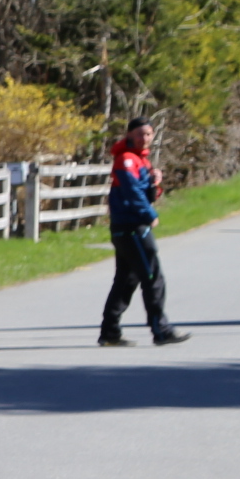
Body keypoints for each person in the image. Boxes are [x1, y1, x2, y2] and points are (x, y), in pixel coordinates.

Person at [101, 117, 187, 346]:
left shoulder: (142, 161)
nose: (144, 138)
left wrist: (154, 183)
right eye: (140, 134)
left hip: (126, 227)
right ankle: (161, 330)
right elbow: (131, 192)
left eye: (148, 134)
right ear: (129, 135)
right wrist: (149, 215)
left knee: (126, 280)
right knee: (152, 277)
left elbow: (147, 193)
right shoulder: (126, 160)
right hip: (131, 227)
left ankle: (110, 332)